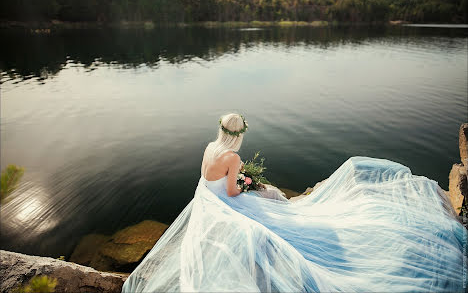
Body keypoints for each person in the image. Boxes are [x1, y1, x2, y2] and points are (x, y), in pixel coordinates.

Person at [122, 113, 467, 292]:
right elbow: (231, 191)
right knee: (273, 203)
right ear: (238, 135)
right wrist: (249, 184)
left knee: (269, 195)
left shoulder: (211, 148)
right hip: (226, 205)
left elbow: (209, 181)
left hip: (204, 202)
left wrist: (248, 183)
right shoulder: (231, 157)